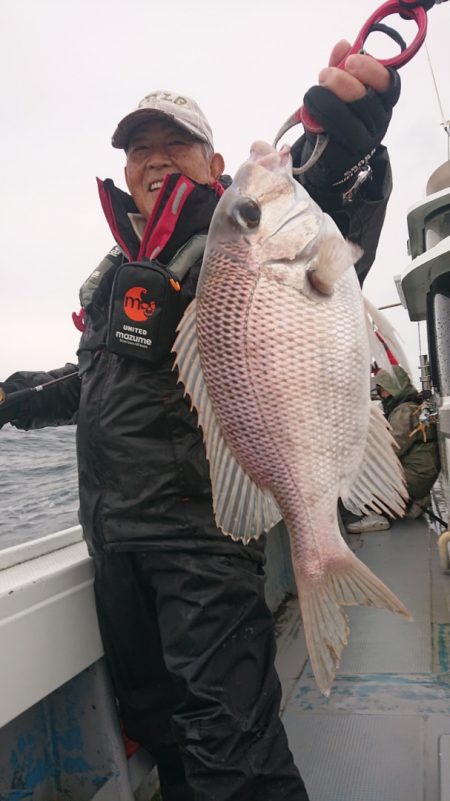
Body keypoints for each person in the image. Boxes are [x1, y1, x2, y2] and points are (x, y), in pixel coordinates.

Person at [0, 39, 400, 801]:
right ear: (123, 170)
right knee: (163, 737)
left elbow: (324, 225)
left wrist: (346, 155)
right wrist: (7, 400)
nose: (155, 159)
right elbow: (84, 381)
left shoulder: (231, 238)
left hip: (201, 550)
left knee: (233, 755)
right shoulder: (119, 274)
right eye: (139, 148)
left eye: (175, 143)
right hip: (117, 549)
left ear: (213, 167)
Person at [346, 365, 441, 534]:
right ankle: (415, 503)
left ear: (394, 387)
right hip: (424, 473)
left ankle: (376, 515)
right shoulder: (414, 406)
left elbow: (390, 450)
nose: (382, 395)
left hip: (416, 476)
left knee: (366, 473)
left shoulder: (404, 411)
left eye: (384, 390)